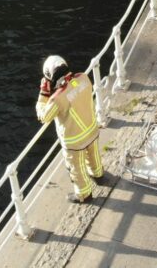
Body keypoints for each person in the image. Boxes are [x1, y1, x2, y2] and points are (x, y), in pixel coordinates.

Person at [35, 55, 104, 204]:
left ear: (49, 75)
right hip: (92, 128)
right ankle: (98, 174)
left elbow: (43, 116)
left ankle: (84, 194)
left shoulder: (57, 99)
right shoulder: (84, 78)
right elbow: (74, 91)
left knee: (76, 169)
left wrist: (43, 94)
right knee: (93, 155)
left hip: (74, 141)